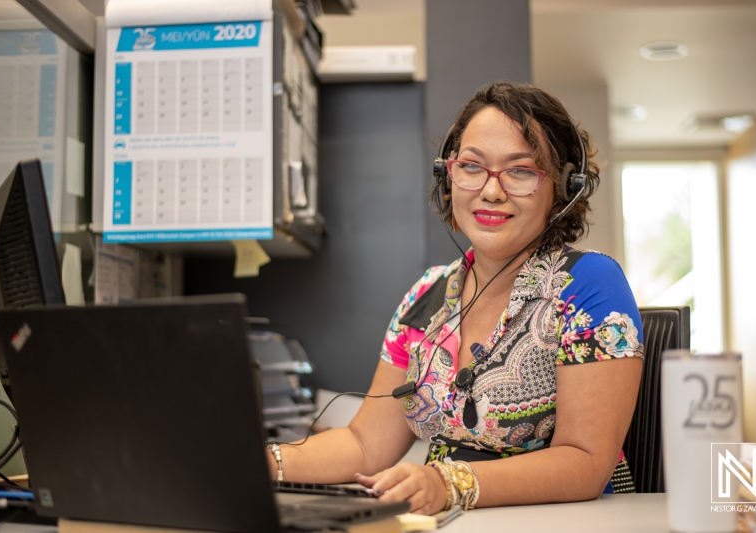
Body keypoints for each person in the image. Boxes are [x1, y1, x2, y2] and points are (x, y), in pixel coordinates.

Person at [266, 81, 644, 515]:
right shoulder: (427, 294)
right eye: (472, 166)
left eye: (521, 171)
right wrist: (266, 462)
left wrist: (449, 482)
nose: (491, 190)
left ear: (563, 187)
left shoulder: (589, 283)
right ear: (448, 175)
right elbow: (365, 442)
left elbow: (585, 462)